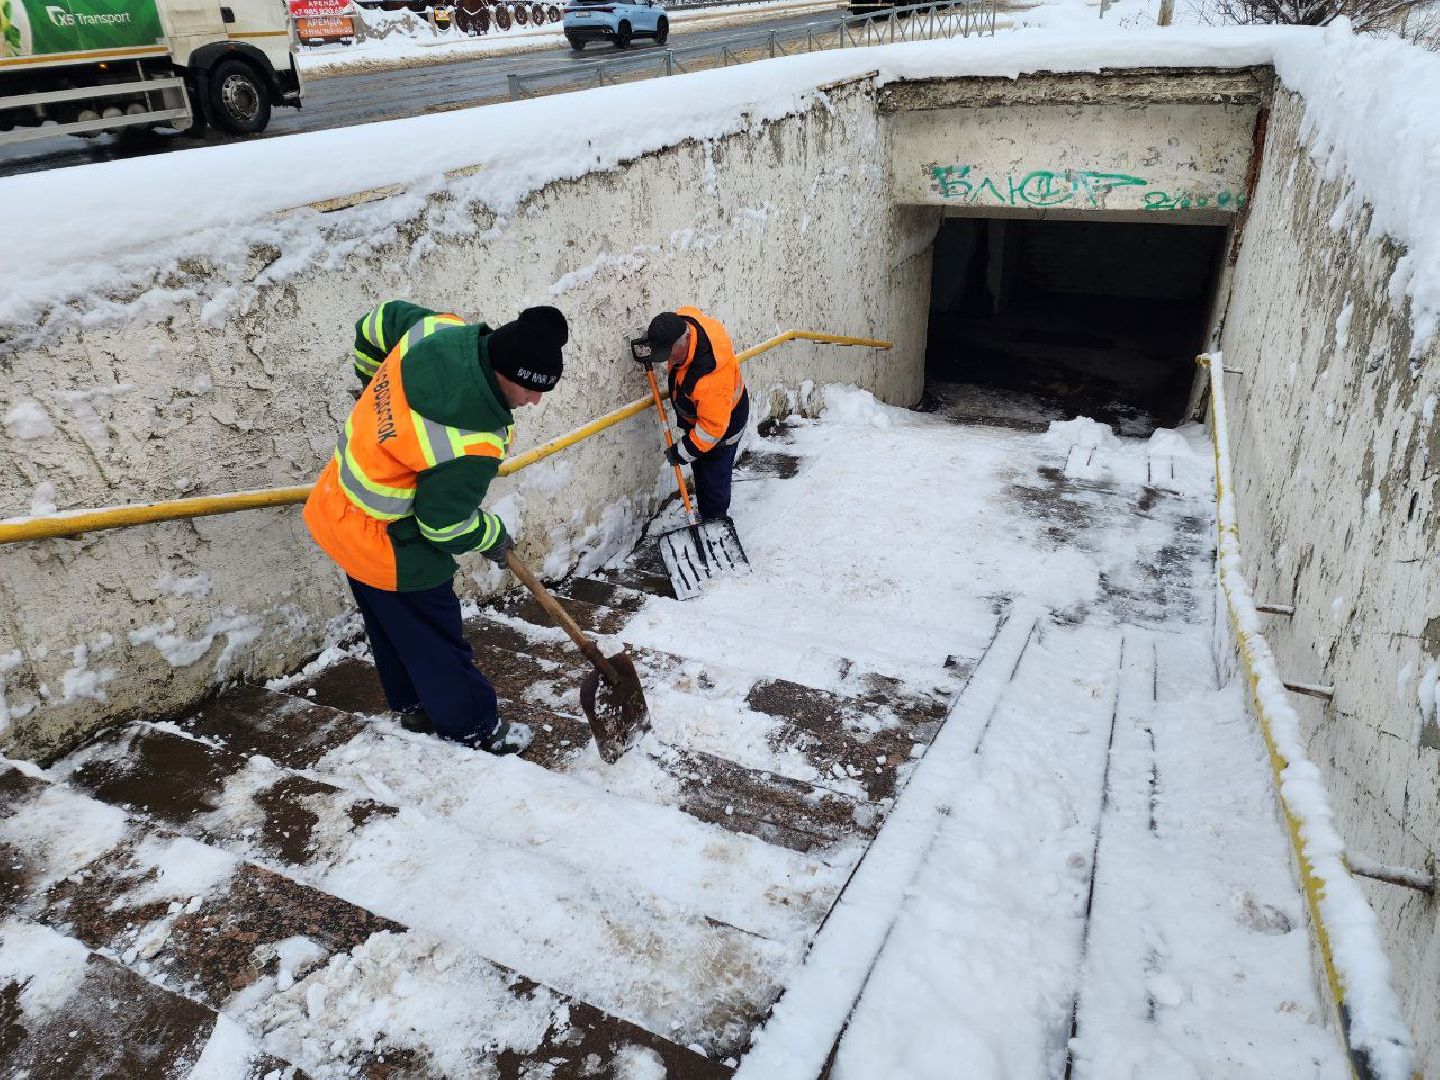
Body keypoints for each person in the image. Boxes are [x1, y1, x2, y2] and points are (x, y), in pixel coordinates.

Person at [304, 302, 569, 756]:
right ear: (505, 371)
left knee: (390, 623)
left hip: (335, 509)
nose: (535, 401)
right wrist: (491, 536)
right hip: (386, 544)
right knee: (436, 636)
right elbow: (443, 526)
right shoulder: (471, 442)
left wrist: (372, 384)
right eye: (529, 388)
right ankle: (472, 727)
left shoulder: (434, 331)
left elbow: (375, 322)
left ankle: (416, 706)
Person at [640, 307, 750, 522]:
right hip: (707, 416)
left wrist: (681, 452)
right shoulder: (686, 321)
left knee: (712, 478)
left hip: (723, 427)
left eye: (669, 355)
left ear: (684, 342)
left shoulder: (710, 379)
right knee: (700, 464)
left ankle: (714, 520)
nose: (666, 361)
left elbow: (712, 429)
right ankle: (708, 509)